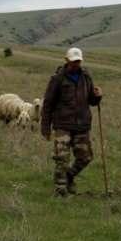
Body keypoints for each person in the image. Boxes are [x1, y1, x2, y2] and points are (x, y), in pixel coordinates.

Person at [41, 47, 103, 196]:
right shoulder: (57, 79)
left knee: (85, 157)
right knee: (61, 158)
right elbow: (48, 103)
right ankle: (60, 189)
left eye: (78, 61)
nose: (76, 64)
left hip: (82, 125)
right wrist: (45, 127)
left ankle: (69, 177)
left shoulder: (86, 77)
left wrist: (98, 96)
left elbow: (91, 101)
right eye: (74, 61)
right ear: (67, 60)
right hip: (62, 124)